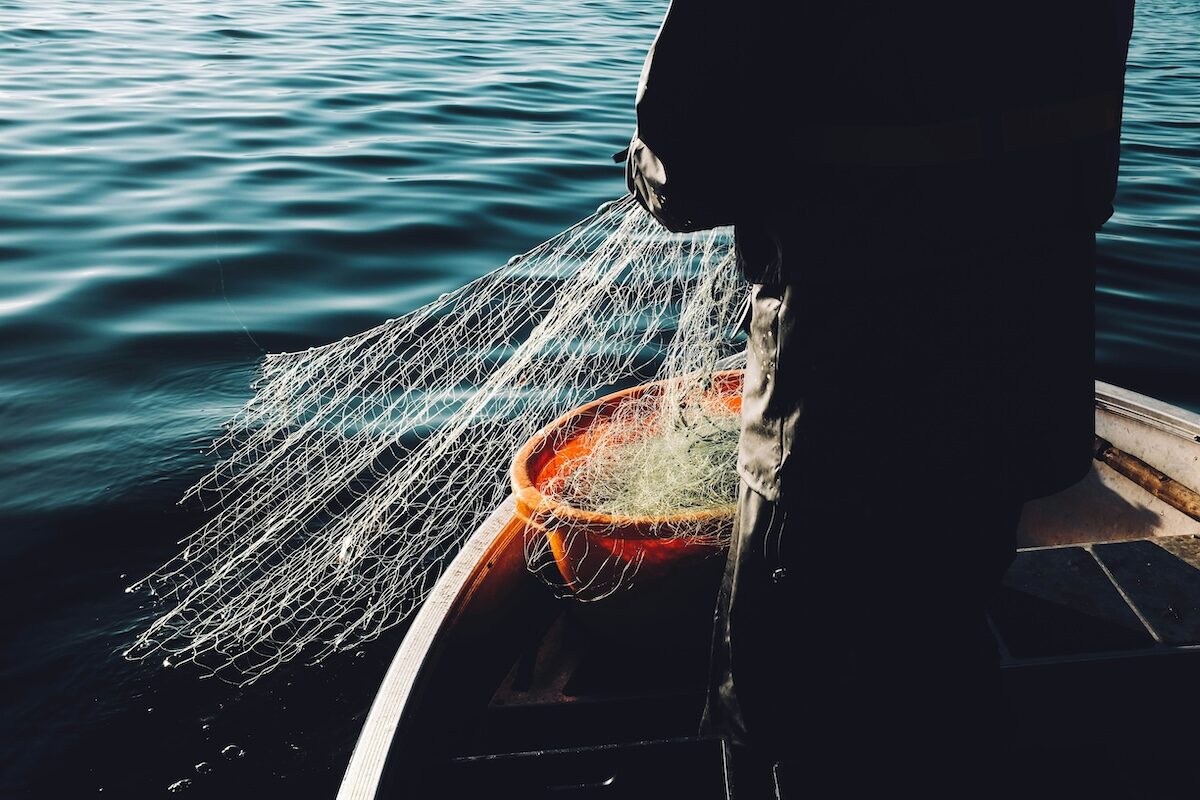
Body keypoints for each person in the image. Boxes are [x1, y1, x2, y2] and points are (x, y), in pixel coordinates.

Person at [627, 3, 1135, 797]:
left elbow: (686, 169)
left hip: (841, 405)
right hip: (1016, 379)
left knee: (789, 703)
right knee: (942, 641)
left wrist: (642, 170)